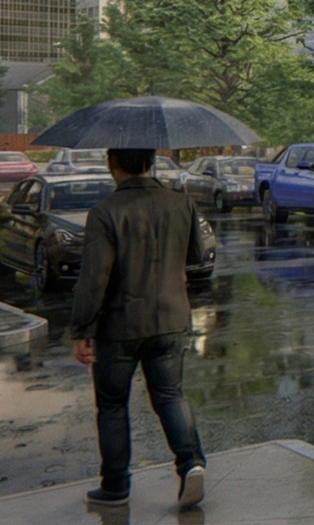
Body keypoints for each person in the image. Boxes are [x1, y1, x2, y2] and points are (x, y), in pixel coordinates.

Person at [71, 148, 211, 509]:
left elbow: (93, 279)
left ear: (112, 166)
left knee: (113, 404)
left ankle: (115, 486)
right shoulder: (182, 204)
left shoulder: (104, 213)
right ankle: (191, 462)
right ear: (150, 163)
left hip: (119, 325)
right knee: (170, 395)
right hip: (171, 318)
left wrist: (82, 329)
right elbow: (197, 257)